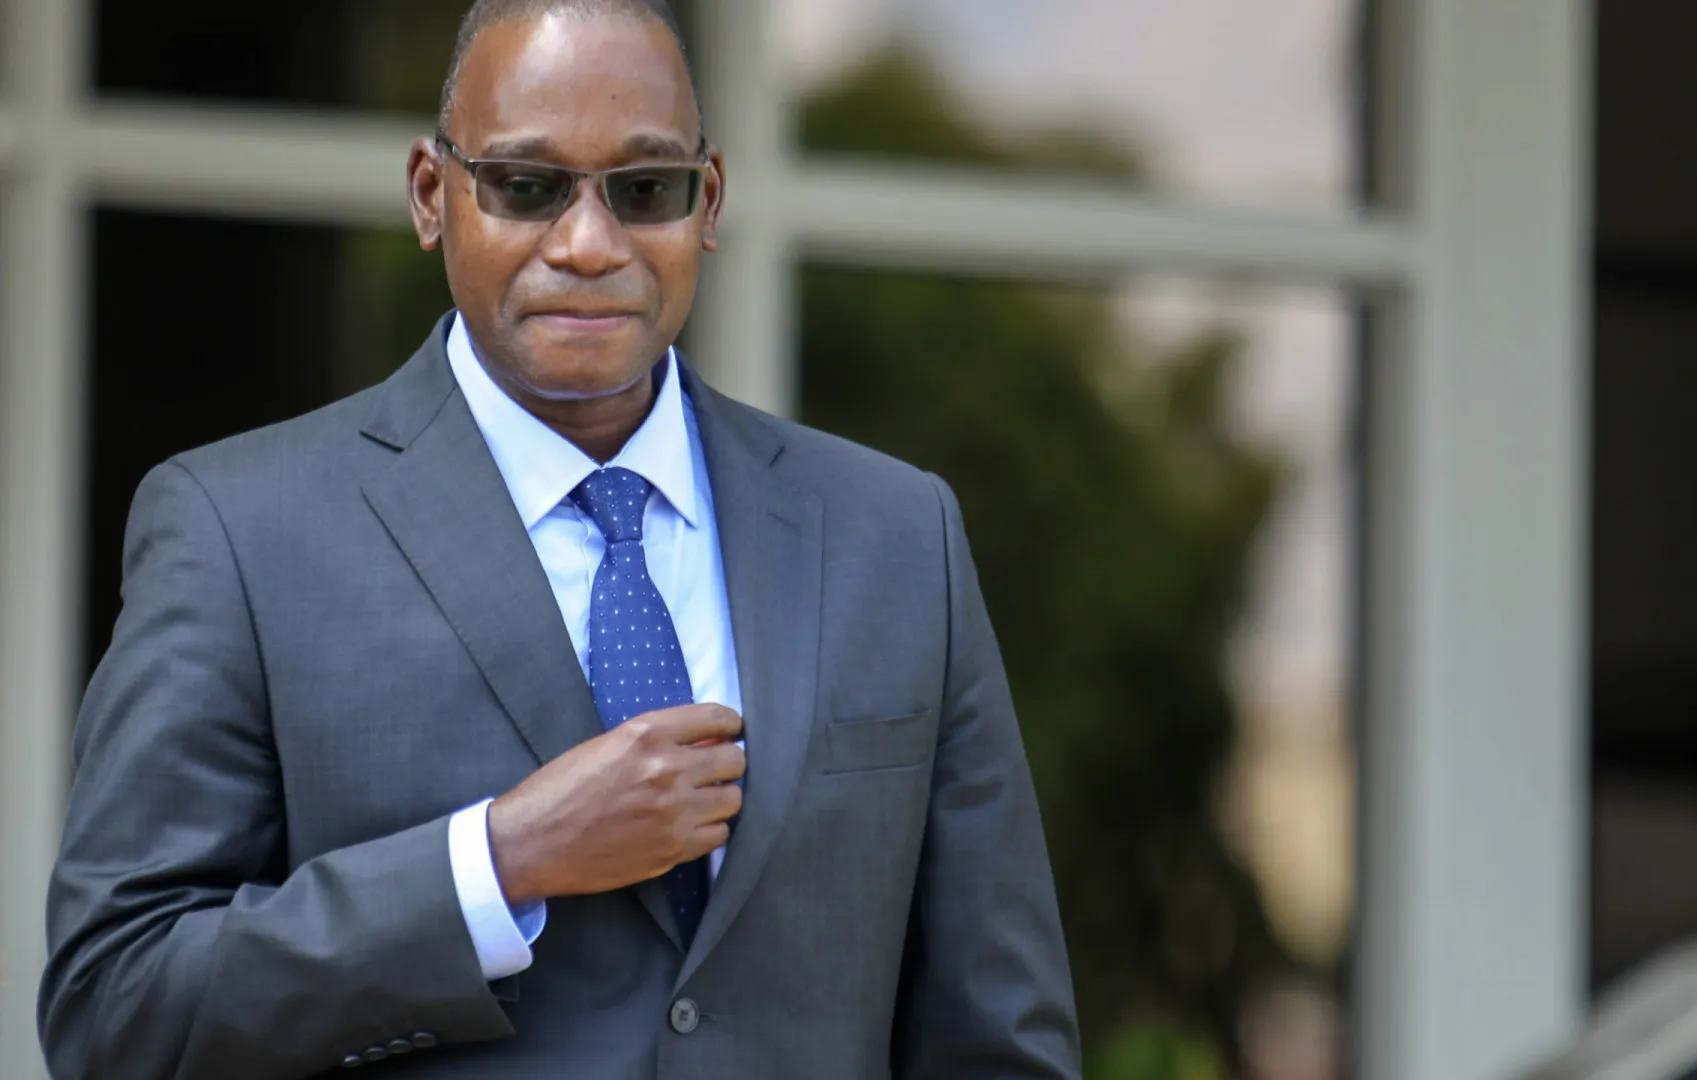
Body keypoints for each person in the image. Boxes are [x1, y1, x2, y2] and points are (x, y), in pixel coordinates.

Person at [37, 1, 1079, 1076]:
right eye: (527, 187)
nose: (589, 245)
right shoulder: (241, 533)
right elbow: (114, 1007)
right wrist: (497, 863)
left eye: (646, 190)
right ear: (431, 194)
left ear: (710, 201)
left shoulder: (896, 537)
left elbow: (997, 1039)